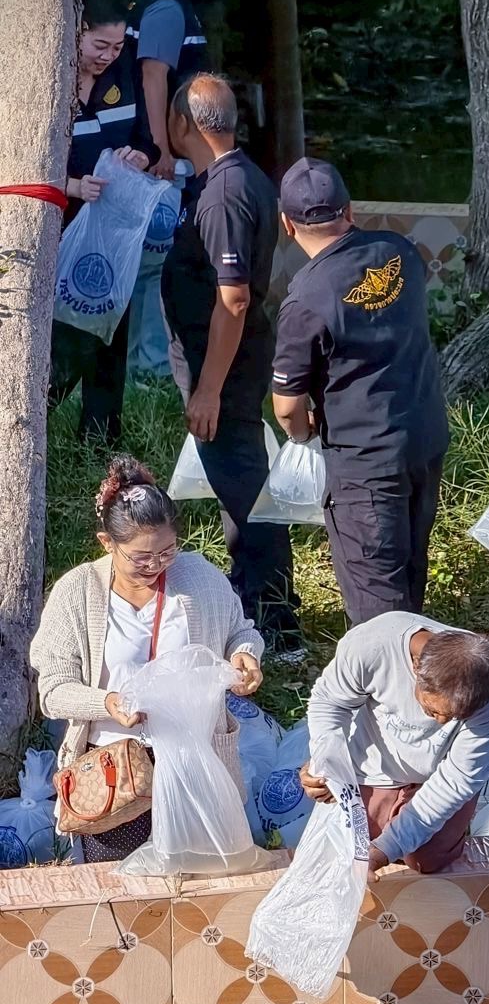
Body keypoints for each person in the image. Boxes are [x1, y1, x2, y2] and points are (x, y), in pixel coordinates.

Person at [29, 457, 263, 863]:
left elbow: (241, 632)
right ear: (107, 543)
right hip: (119, 771)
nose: (156, 566)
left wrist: (245, 656)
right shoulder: (77, 593)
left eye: (168, 552)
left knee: (205, 881)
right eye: (141, 557)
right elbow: (52, 690)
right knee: (126, 894)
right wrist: (108, 703)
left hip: (197, 761)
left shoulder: (199, 578)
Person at [270, 158, 450, 624]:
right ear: (349, 211)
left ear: (287, 224)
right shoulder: (400, 252)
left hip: (366, 465)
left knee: (378, 606)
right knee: (411, 568)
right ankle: (424, 674)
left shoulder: (305, 298)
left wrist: (304, 430)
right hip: (424, 438)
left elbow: (288, 406)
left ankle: (393, 691)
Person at [162, 73, 301, 656]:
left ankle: (275, 621)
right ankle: (252, 601)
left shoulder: (223, 192)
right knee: (236, 486)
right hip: (220, 361)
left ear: (184, 125)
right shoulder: (230, 177)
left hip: (226, 368)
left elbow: (234, 297)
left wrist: (209, 389)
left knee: (246, 489)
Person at [296, 614, 489, 875]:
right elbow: (330, 702)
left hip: (439, 775)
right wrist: (328, 763)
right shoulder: (372, 644)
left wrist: (384, 850)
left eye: (455, 718)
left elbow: (457, 780)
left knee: (424, 859)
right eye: (432, 709)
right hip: (376, 765)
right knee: (348, 848)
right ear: (416, 667)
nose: (441, 722)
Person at [50, 0, 158, 442]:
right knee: (63, 327)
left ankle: (99, 436)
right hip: (56, 225)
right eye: (99, 46)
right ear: (75, 33)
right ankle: (33, 411)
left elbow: (148, 140)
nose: (108, 57)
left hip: (111, 231)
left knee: (110, 325)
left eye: (116, 47)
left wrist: (140, 156)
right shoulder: (47, 81)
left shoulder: (125, 71)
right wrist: (71, 187)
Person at [128, 0, 208, 182]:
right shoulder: (167, 6)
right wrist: (161, 150)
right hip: (168, 154)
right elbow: (153, 76)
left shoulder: (168, 1)